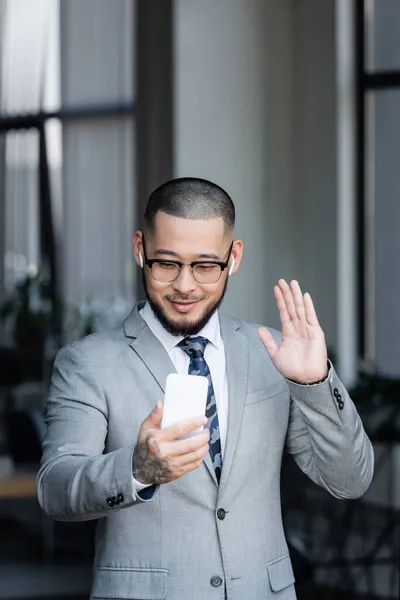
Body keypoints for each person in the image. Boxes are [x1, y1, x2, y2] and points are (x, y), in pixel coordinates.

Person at [37, 177, 374, 600]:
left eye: (204, 265)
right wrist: (137, 469)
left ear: (233, 257)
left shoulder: (272, 353)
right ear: (140, 249)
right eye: (166, 263)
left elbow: (351, 480)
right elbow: (54, 489)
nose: (185, 285)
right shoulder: (87, 362)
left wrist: (314, 383)